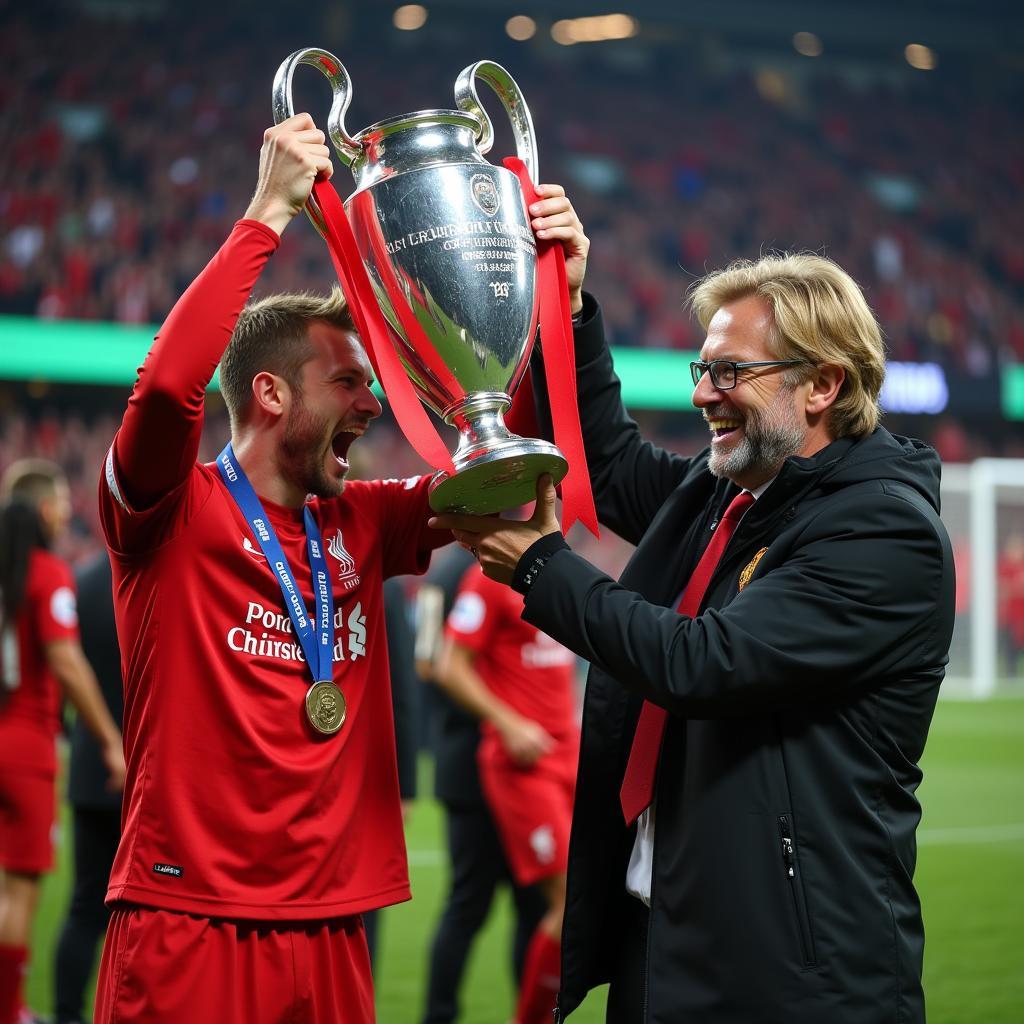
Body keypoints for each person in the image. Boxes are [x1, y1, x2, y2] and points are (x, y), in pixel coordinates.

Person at [431, 190, 957, 1023]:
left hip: (792, 972)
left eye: (731, 372)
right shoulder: (733, 494)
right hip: (670, 937)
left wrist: (541, 570)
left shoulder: (881, 529)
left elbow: (703, 664)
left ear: (822, 385)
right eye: (703, 369)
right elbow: (602, 462)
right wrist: (565, 304)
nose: (706, 394)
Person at [92, 114, 450, 1023]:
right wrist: (266, 213)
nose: (372, 404)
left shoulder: (364, 520)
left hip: (331, 930)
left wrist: (554, 299)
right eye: (351, 383)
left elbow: (511, 480)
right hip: (187, 919)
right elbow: (169, 386)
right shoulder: (168, 513)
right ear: (270, 392)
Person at [0, 460, 125, 1024]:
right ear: (43, 508)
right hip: (30, 747)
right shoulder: (49, 573)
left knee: (52, 898)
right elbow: (66, 660)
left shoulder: (34, 576)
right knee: (22, 892)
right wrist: (107, 739)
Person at [432, 553, 578, 1024]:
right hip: (510, 764)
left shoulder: (561, 570)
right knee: (481, 905)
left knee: (546, 909)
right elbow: (440, 664)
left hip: (566, 756)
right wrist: (509, 723)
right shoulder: (480, 575)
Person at [417, 546, 546, 1024]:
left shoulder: (450, 570)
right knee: (490, 905)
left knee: (498, 905)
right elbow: (432, 663)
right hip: (482, 759)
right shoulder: (461, 571)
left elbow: (425, 661)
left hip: (493, 760)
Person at [53, 553, 123, 1024]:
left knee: (83, 906)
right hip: (147, 770)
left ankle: (66, 1015)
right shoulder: (160, 572)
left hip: (88, 767)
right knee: (154, 909)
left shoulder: (83, 582)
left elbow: (60, 676)